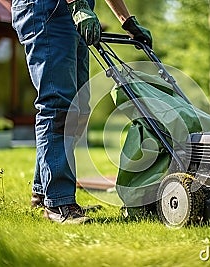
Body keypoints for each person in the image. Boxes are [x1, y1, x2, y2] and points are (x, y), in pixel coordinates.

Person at [11, 0, 152, 224]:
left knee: (78, 108)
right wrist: (76, 4)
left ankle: (42, 193)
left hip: (71, 11)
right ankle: (58, 202)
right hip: (46, 8)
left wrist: (127, 21)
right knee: (58, 106)